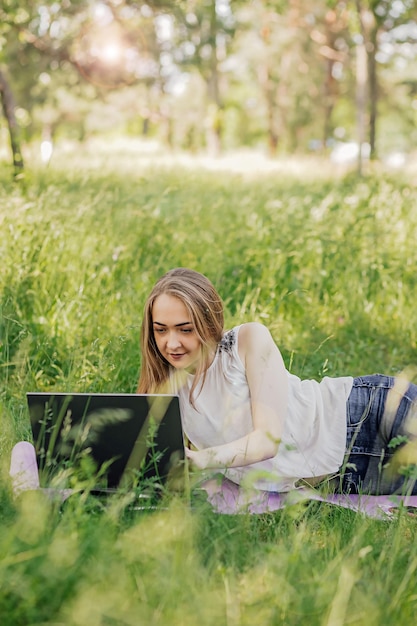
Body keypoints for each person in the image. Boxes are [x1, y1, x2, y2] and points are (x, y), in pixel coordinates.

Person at [137, 267, 417, 497]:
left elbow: (266, 441)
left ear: (209, 323)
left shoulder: (246, 342)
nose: (171, 343)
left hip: (369, 414)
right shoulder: (165, 385)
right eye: (160, 330)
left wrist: (201, 459)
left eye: (185, 329)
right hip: (341, 477)